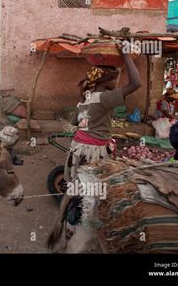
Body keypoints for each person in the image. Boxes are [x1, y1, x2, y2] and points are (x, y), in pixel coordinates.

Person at [48, 48, 142, 249]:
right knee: (91, 194)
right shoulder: (104, 98)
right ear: (105, 80)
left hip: (79, 148)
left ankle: (70, 226)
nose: (115, 83)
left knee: (77, 189)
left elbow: (75, 122)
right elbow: (136, 83)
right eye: (114, 79)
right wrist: (126, 54)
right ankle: (84, 232)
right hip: (94, 152)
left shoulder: (85, 100)